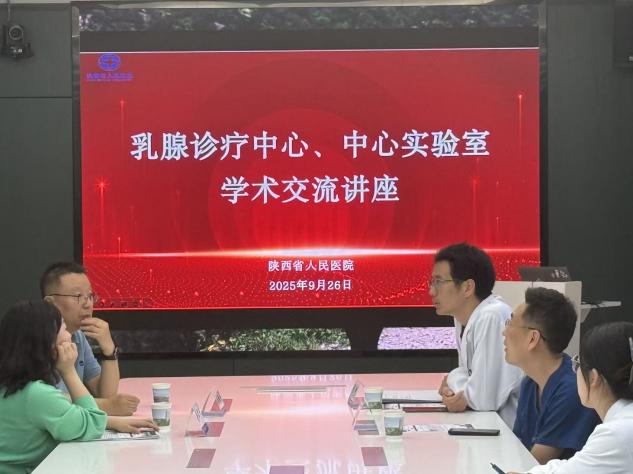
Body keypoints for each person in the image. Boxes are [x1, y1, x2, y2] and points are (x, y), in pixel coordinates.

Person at [0, 300, 157, 474]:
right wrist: (69, 372)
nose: (69, 336)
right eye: (63, 329)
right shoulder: (37, 394)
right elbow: (93, 423)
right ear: (47, 342)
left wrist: (113, 422)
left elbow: (72, 419)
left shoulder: (14, 386)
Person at [508, 321, 633, 474]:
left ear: (593, 377)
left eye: (578, 363)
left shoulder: (616, 433)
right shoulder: (623, 423)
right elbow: (579, 463)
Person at [503, 288, 599, 464]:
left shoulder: (572, 390)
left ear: (533, 338)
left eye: (510, 323)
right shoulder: (529, 383)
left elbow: (534, 463)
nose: (504, 332)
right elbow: (519, 449)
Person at [432, 243, 523, 427]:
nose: (431, 291)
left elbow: (482, 398)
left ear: (468, 287)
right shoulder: (463, 318)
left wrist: (451, 380)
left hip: (509, 432)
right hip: (486, 425)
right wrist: (460, 386)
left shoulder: (492, 316)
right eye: (432, 282)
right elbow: (468, 380)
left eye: (439, 282)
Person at [40, 262, 139, 416]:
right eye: (78, 296)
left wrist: (109, 350)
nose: (88, 304)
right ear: (50, 303)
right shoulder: (35, 339)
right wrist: (106, 406)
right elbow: (44, 400)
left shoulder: (78, 336)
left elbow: (105, 394)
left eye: (90, 296)